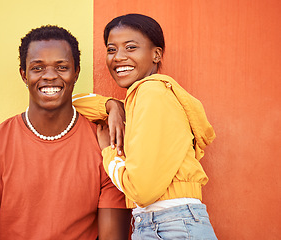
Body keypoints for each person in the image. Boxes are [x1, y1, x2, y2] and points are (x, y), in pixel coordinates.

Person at [0, 25, 131, 240]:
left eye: (61, 67)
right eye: (38, 68)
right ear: (24, 75)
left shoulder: (105, 148)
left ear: (76, 73)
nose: (49, 76)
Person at [73, 14, 218, 239]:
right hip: (165, 223)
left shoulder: (152, 94)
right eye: (111, 50)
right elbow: (71, 101)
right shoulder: (140, 102)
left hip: (171, 226)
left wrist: (108, 152)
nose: (118, 57)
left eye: (131, 47)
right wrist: (111, 105)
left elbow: (142, 191)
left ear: (156, 54)